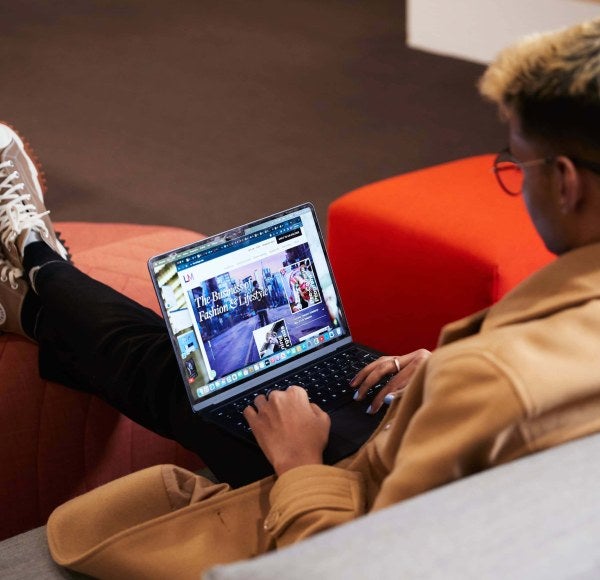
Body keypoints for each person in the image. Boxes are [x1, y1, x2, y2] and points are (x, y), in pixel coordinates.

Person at [2, 17, 600, 578]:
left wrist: (299, 462)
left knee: (173, 370)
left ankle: (37, 262)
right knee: (211, 374)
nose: (517, 182)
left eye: (517, 165)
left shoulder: (491, 379)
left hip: (339, 492)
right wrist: (442, 378)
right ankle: (34, 290)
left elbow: (357, 567)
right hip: (440, 453)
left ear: (567, 182)